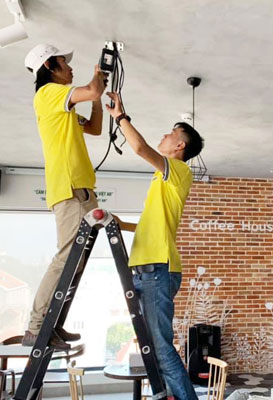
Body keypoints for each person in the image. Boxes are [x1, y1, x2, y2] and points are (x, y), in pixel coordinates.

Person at [106, 91, 204, 400]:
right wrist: (122, 224)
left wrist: (121, 117)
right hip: (147, 271)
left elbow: (139, 147)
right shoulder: (161, 180)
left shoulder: (178, 171)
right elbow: (150, 225)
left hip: (157, 270)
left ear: (180, 146)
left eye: (171, 133)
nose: (164, 136)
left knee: (161, 350)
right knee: (153, 349)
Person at [22, 44, 107, 350]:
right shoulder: (47, 94)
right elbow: (91, 89)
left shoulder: (63, 107)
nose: (70, 68)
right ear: (49, 66)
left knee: (77, 261)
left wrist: (97, 99)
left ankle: (53, 325)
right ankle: (36, 328)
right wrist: (97, 77)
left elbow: (95, 128)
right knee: (66, 258)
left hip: (81, 190)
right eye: (64, 62)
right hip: (69, 189)